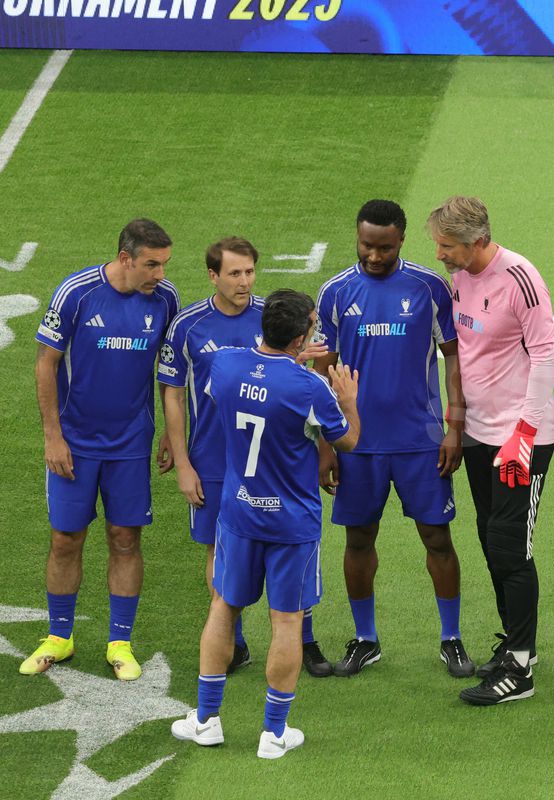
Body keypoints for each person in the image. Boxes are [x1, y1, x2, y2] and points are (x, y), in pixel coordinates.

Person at [171, 289, 360, 759]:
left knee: (223, 607)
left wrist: (287, 363)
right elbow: (348, 441)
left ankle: (206, 721)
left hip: (238, 515)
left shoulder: (225, 365)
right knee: (286, 620)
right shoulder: (310, 388)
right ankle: (273, 734)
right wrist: (349, 400)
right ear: (299, 339)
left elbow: (242, 386)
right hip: (291, 524)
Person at [161, 237, 332, 677]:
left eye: (250, 272)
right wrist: (183, 462)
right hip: (212, 461)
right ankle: (234, 645)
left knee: (292, 549)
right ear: (213, 275)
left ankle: (305, 642)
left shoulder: (275, 318)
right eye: (234, 273)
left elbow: (303, 385)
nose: (244, 282)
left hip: (276, 463)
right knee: (219, 549)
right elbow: (173, 394)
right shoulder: (188, 326)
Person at [314, 200, 471, 679]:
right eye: (367, 245)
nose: (374, 256)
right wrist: (325, 444)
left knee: (437, 538)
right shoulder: (335, 292)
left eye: (385, 247)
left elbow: (453, 357)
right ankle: (366, 639)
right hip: (356, 444)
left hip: (420, 441)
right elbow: (320, 372)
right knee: (359, 538)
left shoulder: (429, 287)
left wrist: (454, 427)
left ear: (401, 240)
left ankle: (451, 639)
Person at [22, 219, 179, 681]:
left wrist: (171, 433)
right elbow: (45, 364)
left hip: (130, 444)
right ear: (125, 258)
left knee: (125, 538)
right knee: (65, 538)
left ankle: (119, 643)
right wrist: (53, 436)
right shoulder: (77, 293)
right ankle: (59, 637)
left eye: (165, 264)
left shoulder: (165, 299)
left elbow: (170, 371)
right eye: (152, 264)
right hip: (75, 443)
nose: (160, 274)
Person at [427, 196, 554, 705]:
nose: (440, 254)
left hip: (520, 437)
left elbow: (546, 358)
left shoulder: (521, 278)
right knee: (488, 536)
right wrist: (459, 424)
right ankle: (517, 645)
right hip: (479, 433)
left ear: (477, 241)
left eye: (447, 246)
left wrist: (523, 433)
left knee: (510, 545)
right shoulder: (459, 278)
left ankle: (519, 671)